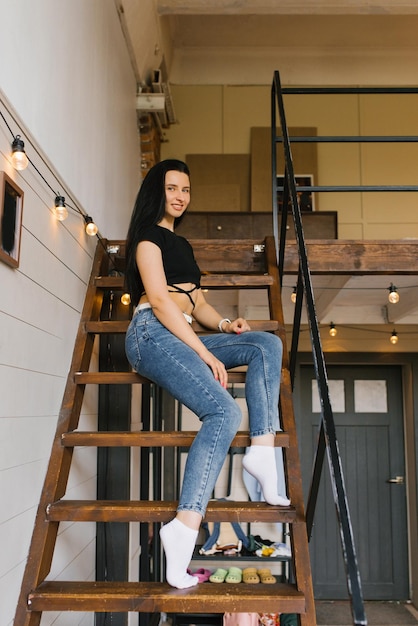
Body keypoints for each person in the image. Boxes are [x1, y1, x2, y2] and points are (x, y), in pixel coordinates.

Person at [125, 159, 290, 589]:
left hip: (181, 335)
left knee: (265, 343)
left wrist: (224, 327)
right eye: (172, 188)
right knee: (223, 412)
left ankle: (262, 450)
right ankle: (184, 524)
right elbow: (162, 303)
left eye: (186, 189)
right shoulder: (147, 239)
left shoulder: (183, 245)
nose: (180, 196)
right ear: (156, 192)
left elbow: (196, 305)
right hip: (151, 334)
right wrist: (205, 353)